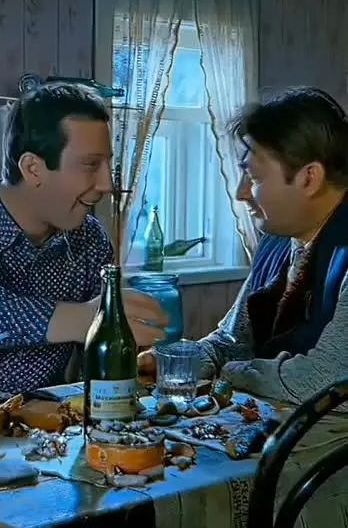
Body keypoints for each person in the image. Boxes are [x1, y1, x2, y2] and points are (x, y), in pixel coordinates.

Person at [0, 83, 167, 397]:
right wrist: (84, 318)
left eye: (107, 165)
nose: (107, 184)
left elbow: (99, 357)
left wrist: (135, 354)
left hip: (52, 421)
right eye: (90, 165)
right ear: (33, 169)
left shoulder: (90, 239)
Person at [138, 86, 348, 405]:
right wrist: (179, 360)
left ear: (309, 178)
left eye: (255, 177)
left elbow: (324, 379)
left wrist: (232, 372)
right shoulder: (277, 240)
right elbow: (231, 342)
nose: (241, 192)